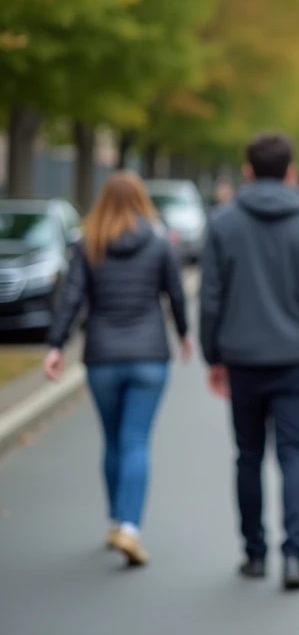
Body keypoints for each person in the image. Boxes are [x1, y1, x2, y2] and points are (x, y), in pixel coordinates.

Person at [199, 132, 299, 592]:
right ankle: (295, 556)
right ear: (292, 172)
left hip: (241, 356)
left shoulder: (223, 223)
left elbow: (211, 297)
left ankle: (253, 552)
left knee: (248, 455)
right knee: (293, 453)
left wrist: (212, 355)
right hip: (295, 357)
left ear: (247, 170)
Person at [43, 171, 190, 568]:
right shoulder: (159, 242)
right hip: (148, 356)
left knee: (112, 440)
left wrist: (56, 346)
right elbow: (174, 293)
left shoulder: (89, 244)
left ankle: (115, 521)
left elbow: (71, 298)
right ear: (142, 200)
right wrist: (185, 334)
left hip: (103, 355)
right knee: (136, 441)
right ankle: (129, 526)